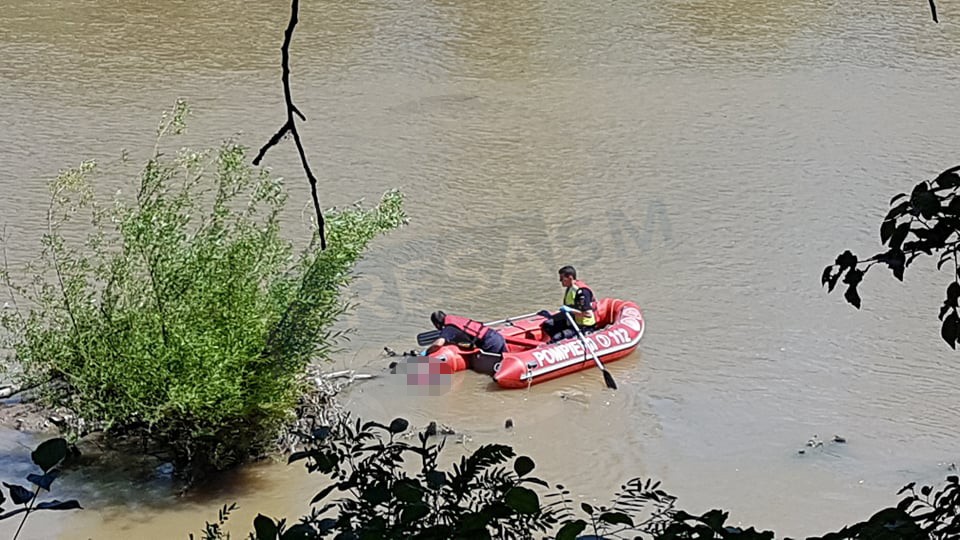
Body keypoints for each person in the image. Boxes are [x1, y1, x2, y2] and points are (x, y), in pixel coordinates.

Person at [539, 265, 597, 342]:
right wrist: (551, 315)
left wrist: (569, 310)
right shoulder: (570, 288)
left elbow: (588, 314)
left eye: (562, 279)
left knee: (558, 337)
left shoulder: (582, 292)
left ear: (570, 278)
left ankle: (555, 343)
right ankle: (545, 344)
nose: (560, 281)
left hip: (583, 325)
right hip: (571, 320)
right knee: (548, 324)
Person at [425, 310, 507, 355]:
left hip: (490, 343)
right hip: (496, 336)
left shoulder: (449, 329)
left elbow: (438, 344)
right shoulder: (457, 321)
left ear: (437, 324)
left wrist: (427, 352)